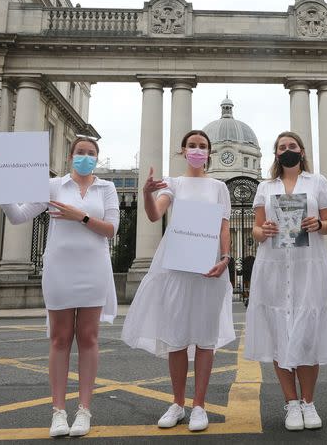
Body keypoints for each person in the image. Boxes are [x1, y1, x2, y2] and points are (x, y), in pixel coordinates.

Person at [0, 135, 119, 438]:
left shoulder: (106, 188)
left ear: (97, 158)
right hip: (59, 267)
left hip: (94, 267)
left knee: (89, 338)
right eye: (80, 152)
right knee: (60, 338)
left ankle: (84, 409)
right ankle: (58, 411)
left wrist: (80, 216)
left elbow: (112, 230)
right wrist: (0, 184)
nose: (86, 157)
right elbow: (18, 216)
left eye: (91, 153)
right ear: (70, 156)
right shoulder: (54, 186)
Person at [121, 130, 234, 433]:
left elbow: (225, 228)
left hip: (208, 267)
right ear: (183, 150)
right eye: (192, 145)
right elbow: (155, 214)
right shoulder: (172, 183)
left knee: (205, 337)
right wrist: (146, 193)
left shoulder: (219, 187)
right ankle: (177, 403)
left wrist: (225, 258)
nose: (197, 150)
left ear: (209, 152)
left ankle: (199, 405)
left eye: (202, 146)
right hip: (176, 266)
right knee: (176, 337)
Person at [245, 131, 327, 432]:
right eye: (282, 147)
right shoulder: (265, 186)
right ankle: (291, 402)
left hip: (308, 265)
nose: (288, 150)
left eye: (292, 146)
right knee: (279, 333)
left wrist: (318, 224)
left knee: (307, 333)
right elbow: (256, 230)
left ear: (301, 151)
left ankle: (309, 402)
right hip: (273, 265)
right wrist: (266, 230)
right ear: (275, 154)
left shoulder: (317, 182)